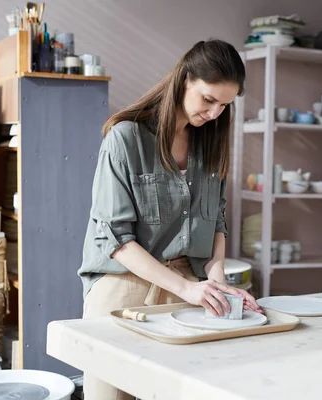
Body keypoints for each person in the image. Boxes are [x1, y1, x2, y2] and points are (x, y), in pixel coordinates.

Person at [78, 38, 262, 399]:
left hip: (186, 293)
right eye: (209, 100)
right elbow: (116, 238)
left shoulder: (210, 144)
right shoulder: (125, 138)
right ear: (184, 81)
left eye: (225, 105)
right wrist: (188, 289)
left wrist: (217, 282)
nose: (214, 114)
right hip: (123, 289)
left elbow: (217, 221)